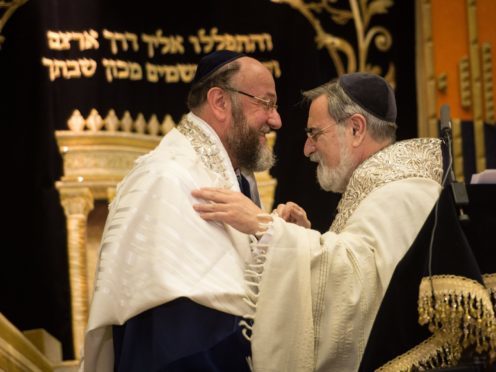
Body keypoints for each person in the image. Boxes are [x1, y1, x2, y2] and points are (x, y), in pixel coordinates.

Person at [192, 72, 444, 371]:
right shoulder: (387, 188)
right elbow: (352, 276)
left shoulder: (402, 193)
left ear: (355, 129)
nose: (307, 149)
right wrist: (301, 240)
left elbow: (358, 297)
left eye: (315, 134)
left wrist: (264, 225)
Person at [81, 50, 282, 371]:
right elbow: (176, 330)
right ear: (220, 102)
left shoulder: (235, 177)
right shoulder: (165, 178)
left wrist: (279, 236)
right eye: (267, 103)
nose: (276, 120)